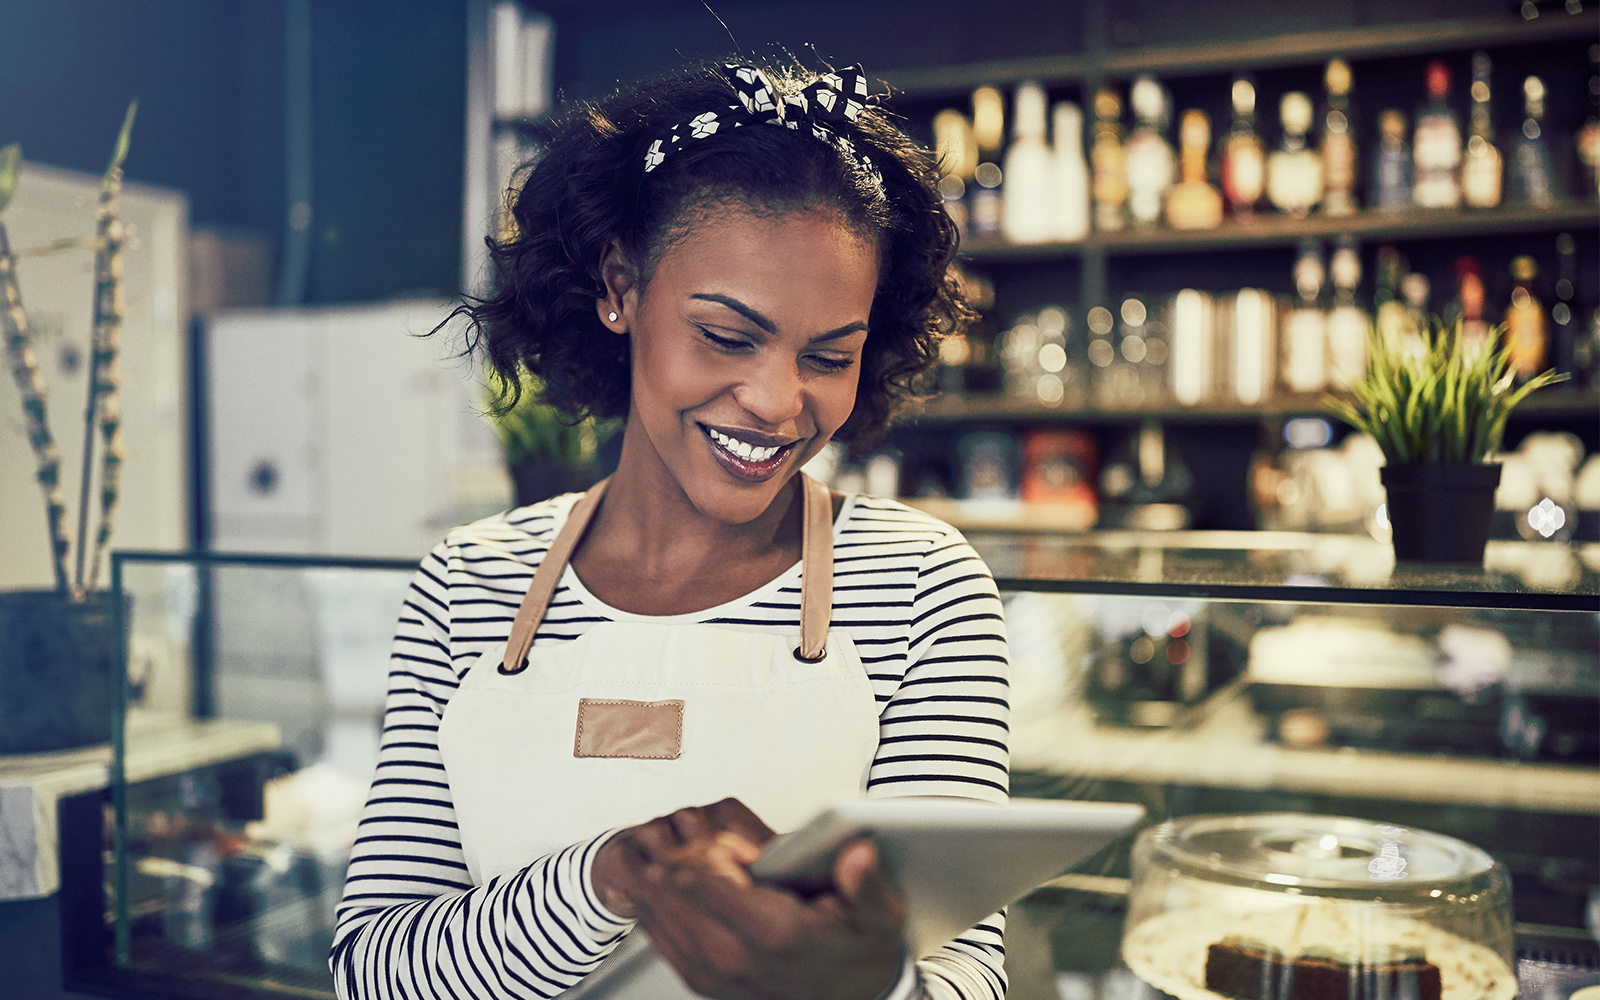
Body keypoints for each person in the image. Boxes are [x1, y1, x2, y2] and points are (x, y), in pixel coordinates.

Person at [331, 59, 1011, 1000]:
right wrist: (614, 878)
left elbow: (969, 976)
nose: (778, 403)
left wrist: (863, 987)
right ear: (621, 286)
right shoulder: (467, 582)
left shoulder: (921, 585)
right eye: (727, 337)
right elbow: (376, 968)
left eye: (830, 355)